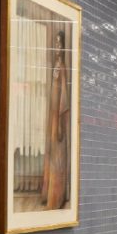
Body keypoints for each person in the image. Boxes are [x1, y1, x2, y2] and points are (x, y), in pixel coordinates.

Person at [43, 29, 71, 210]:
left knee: (58, 157)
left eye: (60, 44)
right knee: (52, 153)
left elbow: (64, 97)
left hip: (58, 117)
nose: (57, 47)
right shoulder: (55, 65)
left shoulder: (62, 68)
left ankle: (57, 196)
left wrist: (60, 121)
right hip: (52, 115)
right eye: (55, 44)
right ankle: (49, 193)